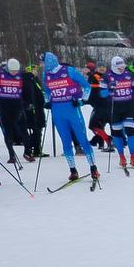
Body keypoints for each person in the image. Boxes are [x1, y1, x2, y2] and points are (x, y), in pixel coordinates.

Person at [40, 51, 100, 185]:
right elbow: (46, 91)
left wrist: (81, 101)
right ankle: (73, 170)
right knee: (66, 141)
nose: (42, 65)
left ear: (49, 61)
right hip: (57, 111)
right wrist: (47, 100)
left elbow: (86, 87)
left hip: (72, 109)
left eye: (43, 62)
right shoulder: (46, 74)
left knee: (82, 139)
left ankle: (93, 168)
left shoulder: (69, 71)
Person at [105, 55, 134, 174]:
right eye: (119, 67)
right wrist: (109, 89)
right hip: (115, 108)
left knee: (131, 132)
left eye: (123, 67)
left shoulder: (128, 74)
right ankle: (121, 156)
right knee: (117, 133)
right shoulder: (107, 76)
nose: (122, 69)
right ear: (114, 67)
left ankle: (133, 156)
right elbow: (101, 94)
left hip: (129, 107)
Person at [0, 58, 27, 165]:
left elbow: (25, 90)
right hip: (4, 106)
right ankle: (11, 155)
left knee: (20, 128)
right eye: (12, 71)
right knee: (7, 131)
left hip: (17, 106)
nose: (14, 73)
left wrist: (26, 101)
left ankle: (28, 151)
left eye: (16, 71)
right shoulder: (0, 75)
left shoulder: (20, 76)